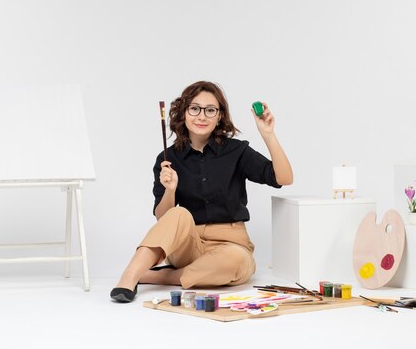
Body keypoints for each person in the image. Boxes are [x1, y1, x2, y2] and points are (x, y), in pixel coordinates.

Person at [110, 81, 293, 302]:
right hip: (187, 245)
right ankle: (129, 276)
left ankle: (156, 276)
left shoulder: (237, 151)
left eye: (210, 110)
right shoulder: (168, 158)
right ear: (183, 113)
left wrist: (268, 134)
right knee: (177, 214)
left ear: (219, 117)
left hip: (230, 246)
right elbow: (162, 218)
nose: (202, 116)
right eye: (194, 108)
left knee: (236, 262)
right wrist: (170, 190)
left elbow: (284, 178)